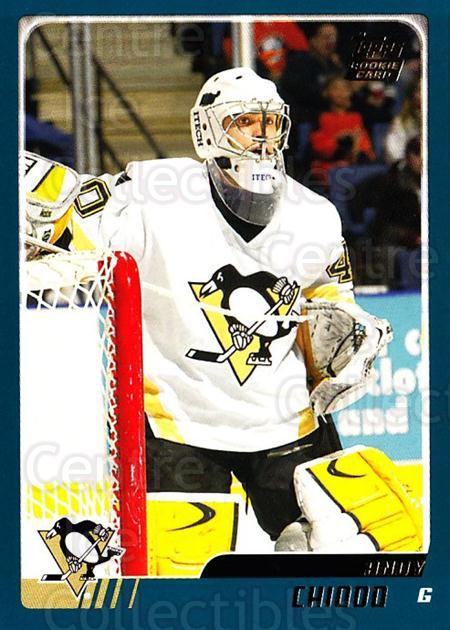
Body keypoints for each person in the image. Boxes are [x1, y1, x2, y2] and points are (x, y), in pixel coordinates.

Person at [23, 67, 421, 574]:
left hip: (285, 421)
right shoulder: (155, 194)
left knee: (345, 548)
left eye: (269, 122)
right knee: (178, 580)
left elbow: (328, 292)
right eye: (244, 121)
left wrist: (344, 331)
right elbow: (67, 217)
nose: (260, 135)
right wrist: (39, 202)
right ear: (207, 129)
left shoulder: (315, 216)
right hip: (178, 424)